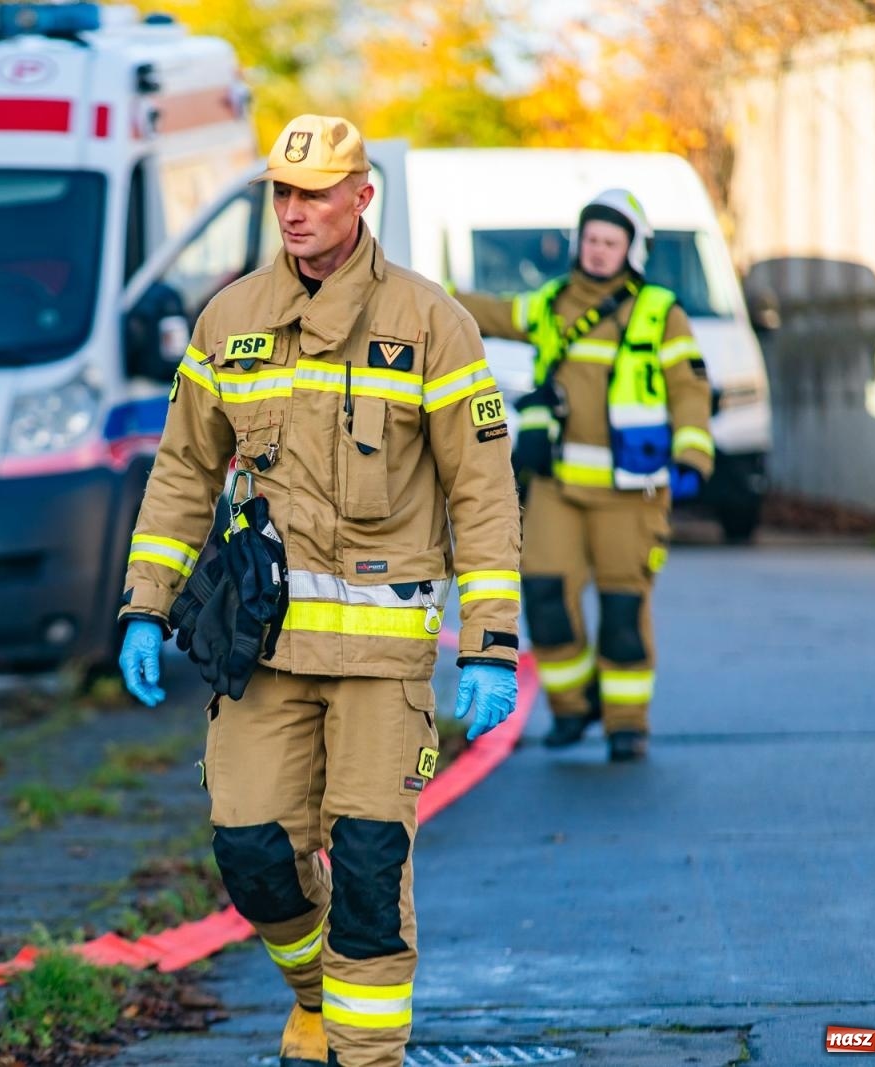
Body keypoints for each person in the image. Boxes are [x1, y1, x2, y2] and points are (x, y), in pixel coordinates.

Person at [117, 115, 522, 1067]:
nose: (294, 213)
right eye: (283, 195)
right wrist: (145, 604)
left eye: (315, 194)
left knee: (373, 876)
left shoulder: (431, 324)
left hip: (384, 663)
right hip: (260, 653)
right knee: (253, 855)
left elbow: (483, 491)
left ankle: (365, 1054)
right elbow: (182, 472)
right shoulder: (230, 321)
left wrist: (492, 641)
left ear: (361, 196)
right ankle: (313, 998)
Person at [457, 189, 714, 761]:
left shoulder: (659, 311)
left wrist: (694, 456)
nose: (598, 251)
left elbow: (691, 388)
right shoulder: (550, 304)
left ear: (632, 249)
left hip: (633, 492)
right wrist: (423, 298)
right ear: (579, 244)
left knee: (623, 612)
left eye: (610, 242)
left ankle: (627, 724)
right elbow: (488, 312)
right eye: (591, 240)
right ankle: (572, 709)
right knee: (546, 599)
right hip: (557, 488)